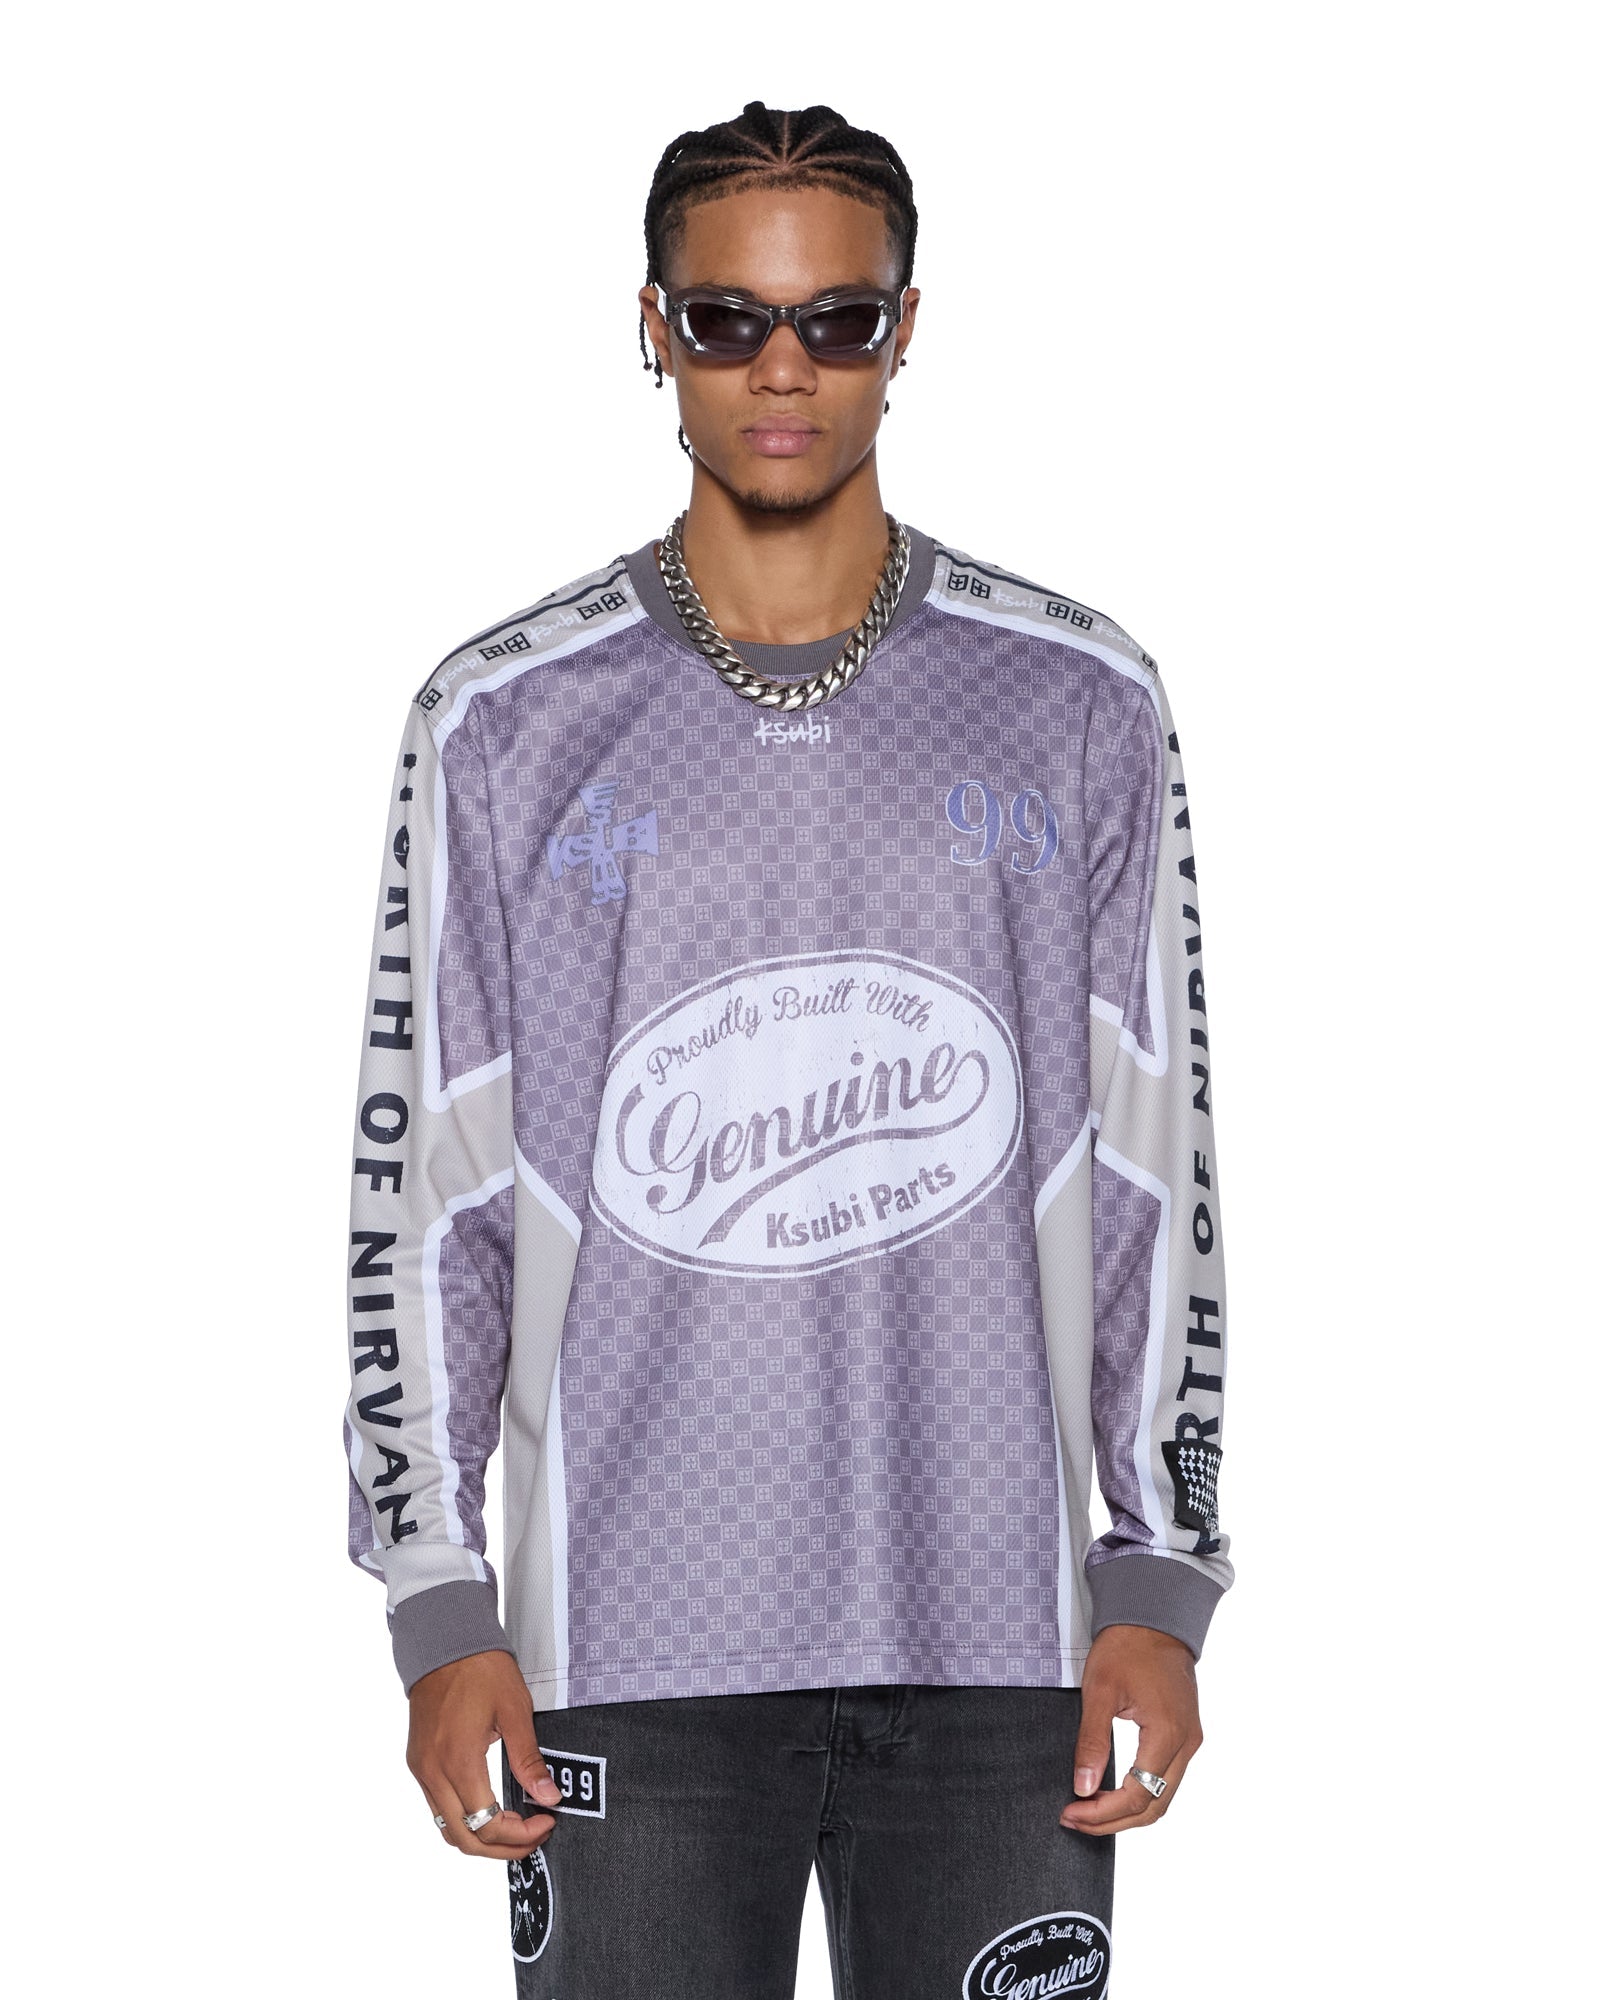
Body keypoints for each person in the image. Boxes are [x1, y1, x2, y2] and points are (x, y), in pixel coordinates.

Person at [343, 99, 1233, 2000]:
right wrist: (439, 1600)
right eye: (728, 318)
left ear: (904, 331)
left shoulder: (1079, 700)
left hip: (1004, 1652)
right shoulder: (501, 720)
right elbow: (429, 1191)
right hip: (623, 1663)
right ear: (651, 331)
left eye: (835, 320)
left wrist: (1158, 1574)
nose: (781, 368)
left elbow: (1155, 1164)